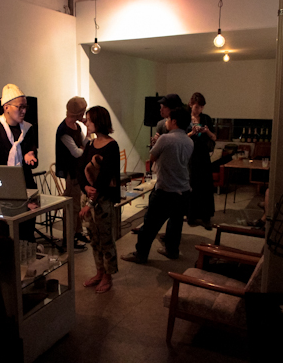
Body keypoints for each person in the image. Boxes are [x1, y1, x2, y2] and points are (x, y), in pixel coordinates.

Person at [122, 107, 194, 263]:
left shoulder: (165, 138)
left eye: (168, 119)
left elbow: (152, 157)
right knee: (175, 224)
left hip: (166, 189)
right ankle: (172, 251)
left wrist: (155, 143)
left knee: (150, 225)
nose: (166, 121)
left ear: (174, 121)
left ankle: (141, 254)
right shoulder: (189, 141)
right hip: (184, 189)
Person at [0, 83, 39, 242]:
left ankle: (27, 252)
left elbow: (34, 161)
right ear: (6, 107)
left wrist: (30, 156)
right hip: (2, 187)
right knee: (5, 232)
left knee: (26, 230)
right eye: (20, 107)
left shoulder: (27, 129)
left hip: (25, 186)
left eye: (25, 107)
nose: (24, 111)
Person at [77, 106, 120, 294]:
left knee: (106, 239)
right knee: (93, 239)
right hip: (89, 196)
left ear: (98, 121)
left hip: (102, 200)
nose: (87, 123)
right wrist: (85, 187)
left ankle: (108, 276)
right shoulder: (90, 144)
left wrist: (90, 203)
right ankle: (99, 272)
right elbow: (80, 169)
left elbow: (105, 177)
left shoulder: (112, 146)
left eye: (89, 120)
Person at [55, 96, 91, 249]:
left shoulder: (76, 127)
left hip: (78, 170)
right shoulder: (63, 130)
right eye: (82, 112)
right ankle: (70, 238)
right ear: (77, 113)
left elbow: (85, 144)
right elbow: (76, 152)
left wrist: (88, 131)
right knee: (72, 205)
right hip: (71, 172)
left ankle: (78, 232)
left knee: (77, 202)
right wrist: (83, 149)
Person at [187, 92, 216, 230]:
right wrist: (192, 133)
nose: (199, 110)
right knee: (191, 184)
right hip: (190, 155)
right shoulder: (185, 119)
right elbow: (181, 136)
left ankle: (206, 217)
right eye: (197, 107)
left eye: (201, 107)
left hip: (203, 155)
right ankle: (191, 215)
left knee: (205, 185)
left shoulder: (206, 118)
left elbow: (214, 137)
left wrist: (207, 131)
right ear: (191, 104)